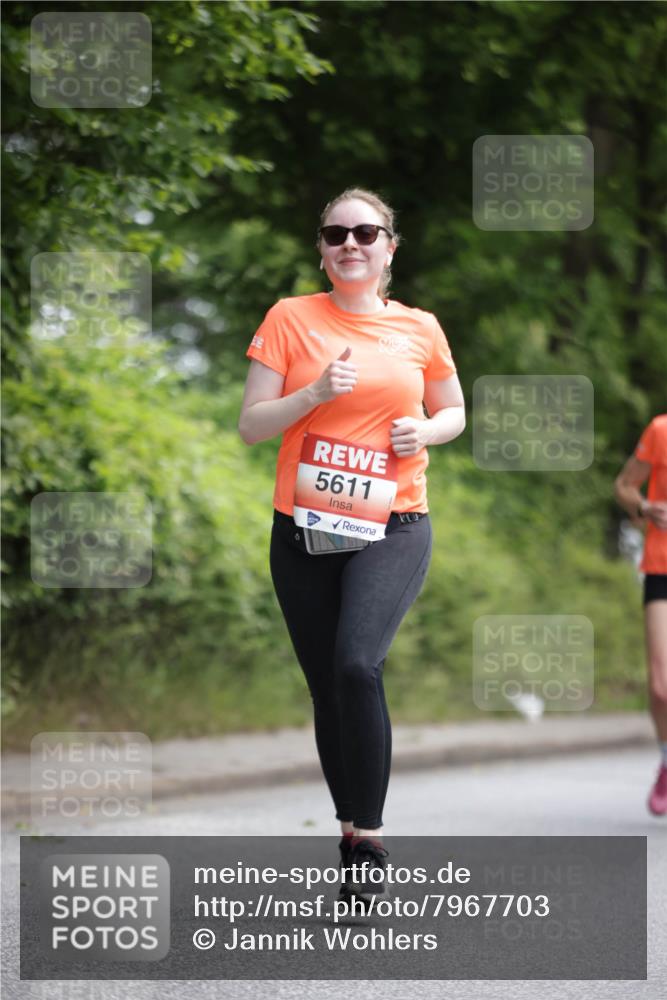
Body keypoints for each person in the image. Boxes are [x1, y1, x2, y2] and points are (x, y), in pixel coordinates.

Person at [238, 187, 465, 903]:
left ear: (388, 247)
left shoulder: (419, 327)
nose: (350, 244)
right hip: (304, 525)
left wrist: (424, 431)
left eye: (366, 233)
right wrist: (312, 395)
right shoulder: (289, 318)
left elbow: (453, 409)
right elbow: (250, 425)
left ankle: (367, 833)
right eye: (336, 234)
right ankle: (346, 825)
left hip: (393, 521)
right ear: (321, 248)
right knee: (326, 687)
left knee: (356, 663)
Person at [614, 413, 667, 816]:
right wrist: (646, 507)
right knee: (661, 686)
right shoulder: (660, 430)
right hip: (661, 566)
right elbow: (624, 486)